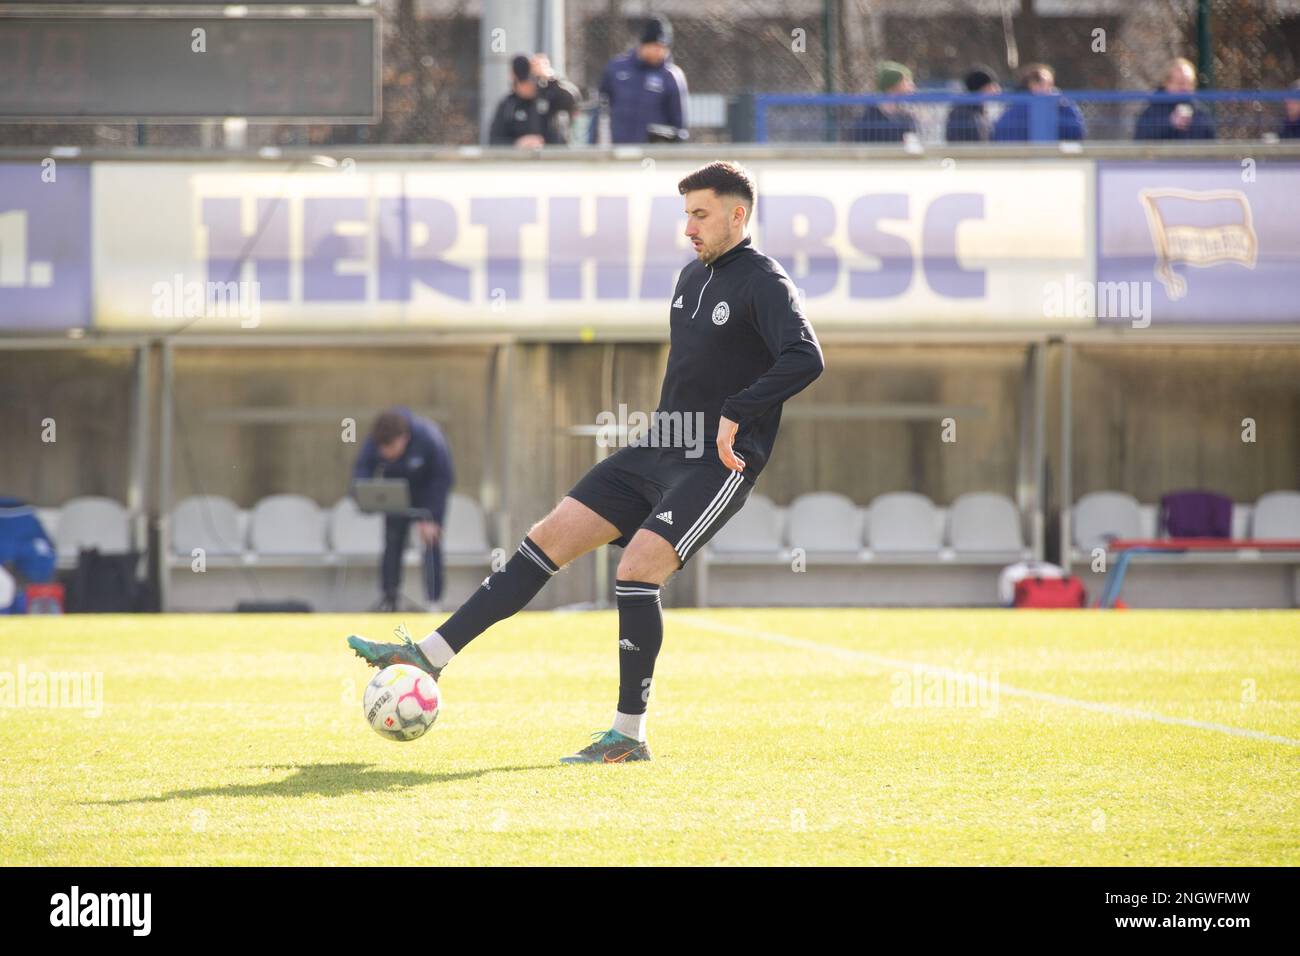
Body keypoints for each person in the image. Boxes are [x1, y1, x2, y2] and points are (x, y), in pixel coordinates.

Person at [347, 162, 825, 763]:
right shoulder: (690, 278)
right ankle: (428, 657)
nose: (688, 229)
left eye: (700, 215)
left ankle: (628, 736)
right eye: (685, 216)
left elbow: (806, 357)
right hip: (658, 447)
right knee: (545, 540)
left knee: (637, 569)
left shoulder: (764, 281)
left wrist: (739, 409)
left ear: (738, 215)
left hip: (717, 464)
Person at [352, 408, 454, 613]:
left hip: (427, 494)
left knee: (431, 543)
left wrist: (432, 517)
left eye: (390, 449)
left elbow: (443, 478)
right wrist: (364, 494)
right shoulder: (376, 439)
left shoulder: (429, 437)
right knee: (392, 542)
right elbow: (362, 469)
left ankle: (433, 601)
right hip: (396, 493)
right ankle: (390, 598)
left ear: (404, 438)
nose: (386, 454)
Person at [590, 16, 689, 144]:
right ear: (643, 44)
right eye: (655, 46)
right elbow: (599, 107)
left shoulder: (671, 76)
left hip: (654, 154)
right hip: (618, 149)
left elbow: (679, 124)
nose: (659, 51)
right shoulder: (616, 69)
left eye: (663, 47)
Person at [991, 63, 1085, 141]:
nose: (1048, 89)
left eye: (1049, 85)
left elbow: (1076, 130)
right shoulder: (1017, 106)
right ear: (1030, 85)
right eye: (1041, 84)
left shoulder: (1061, 104)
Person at [487, 54, 567, 148]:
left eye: (533, 79)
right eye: (524, 81)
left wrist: (551, 76)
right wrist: (517, 144)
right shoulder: (508, 105)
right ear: (514, 79)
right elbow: (494, 140)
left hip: (553, 159)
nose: (529, 85)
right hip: (519, 161)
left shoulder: (550, 97)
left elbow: (573, 100)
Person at [1133, 57, 1215, 140]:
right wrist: (1169, 123)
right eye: (1180, 83)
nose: (1185, 88)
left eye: (1189, 84)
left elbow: (1211, 144)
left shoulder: (1200, 111)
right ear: (1166, 83)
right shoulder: (1152, 111)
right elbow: (1141, 141)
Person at [849, 61, 918, 143]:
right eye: (907, 80)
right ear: (894, 83)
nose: (912, 86)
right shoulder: (868, 118)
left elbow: (912, 147)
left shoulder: (906, 117)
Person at [530, 53, 581, 143]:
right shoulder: (530, 87)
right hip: (535, 139)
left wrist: (551, 78)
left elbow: (573, 98)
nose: (536, 68)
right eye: (534, 65)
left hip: (556, 136)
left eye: (539, 64)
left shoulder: (557, 85)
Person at [946, 66, 1000, 142]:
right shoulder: (965, 113)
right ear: (982, 88)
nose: (997, 90)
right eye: (992, 86)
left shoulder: (976, 109)